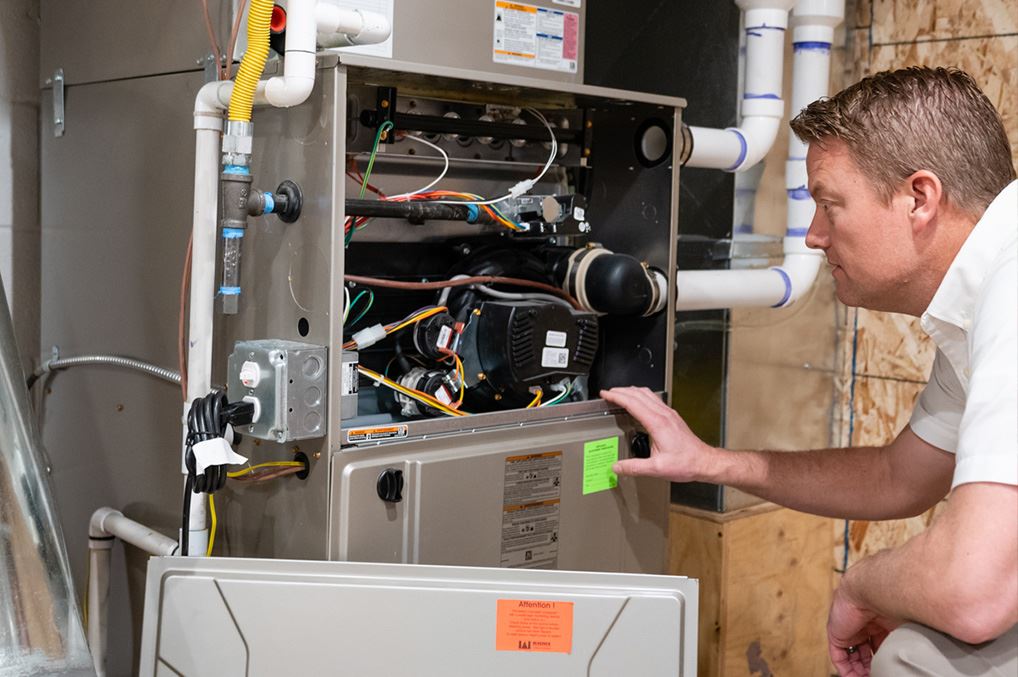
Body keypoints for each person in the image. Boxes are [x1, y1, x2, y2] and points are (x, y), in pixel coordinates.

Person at [603, 66, 1017, 677]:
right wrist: (710, 462)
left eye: (829, 204)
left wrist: (861, 585)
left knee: (917, 660)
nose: (816, 237)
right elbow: (898, 478)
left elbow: (974, 591)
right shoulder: (979, 301)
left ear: (919, 198)